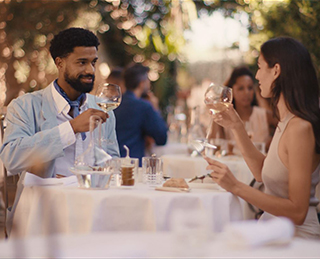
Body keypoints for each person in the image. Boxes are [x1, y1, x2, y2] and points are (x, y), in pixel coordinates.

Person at [205, 37, 320, 238]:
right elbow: (262, 173)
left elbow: (298, 211)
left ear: (276, 71)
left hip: (296, 240)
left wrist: (236, 186)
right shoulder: (286, 121)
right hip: (273, 232)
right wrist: (236, 126)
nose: (257, 75)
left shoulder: (300, 128)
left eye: (260, 67)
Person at [0, 27, 119, 178]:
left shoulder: (101, 108)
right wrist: (71, 128)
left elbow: (113, 162)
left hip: (91, 198)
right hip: (46, 199)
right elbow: (11, 159)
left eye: (93, 62)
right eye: (82, 62)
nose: (90, 70)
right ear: (59, 63)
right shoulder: (25, 106)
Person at [209, 66, 277, 152]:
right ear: (232, 91)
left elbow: (286, 128)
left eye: (250, 88)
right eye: (241, 88)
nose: (246, 93)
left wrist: (273, 143)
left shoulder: (264, 115)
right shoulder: (225, 118)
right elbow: (214, 147)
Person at [114, 63, 167, 165]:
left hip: (112, 162)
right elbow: (162, 137)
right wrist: (155, 108)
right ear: (142, 83)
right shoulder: (144, 106)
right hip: (133, 166)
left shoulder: (114, 104)